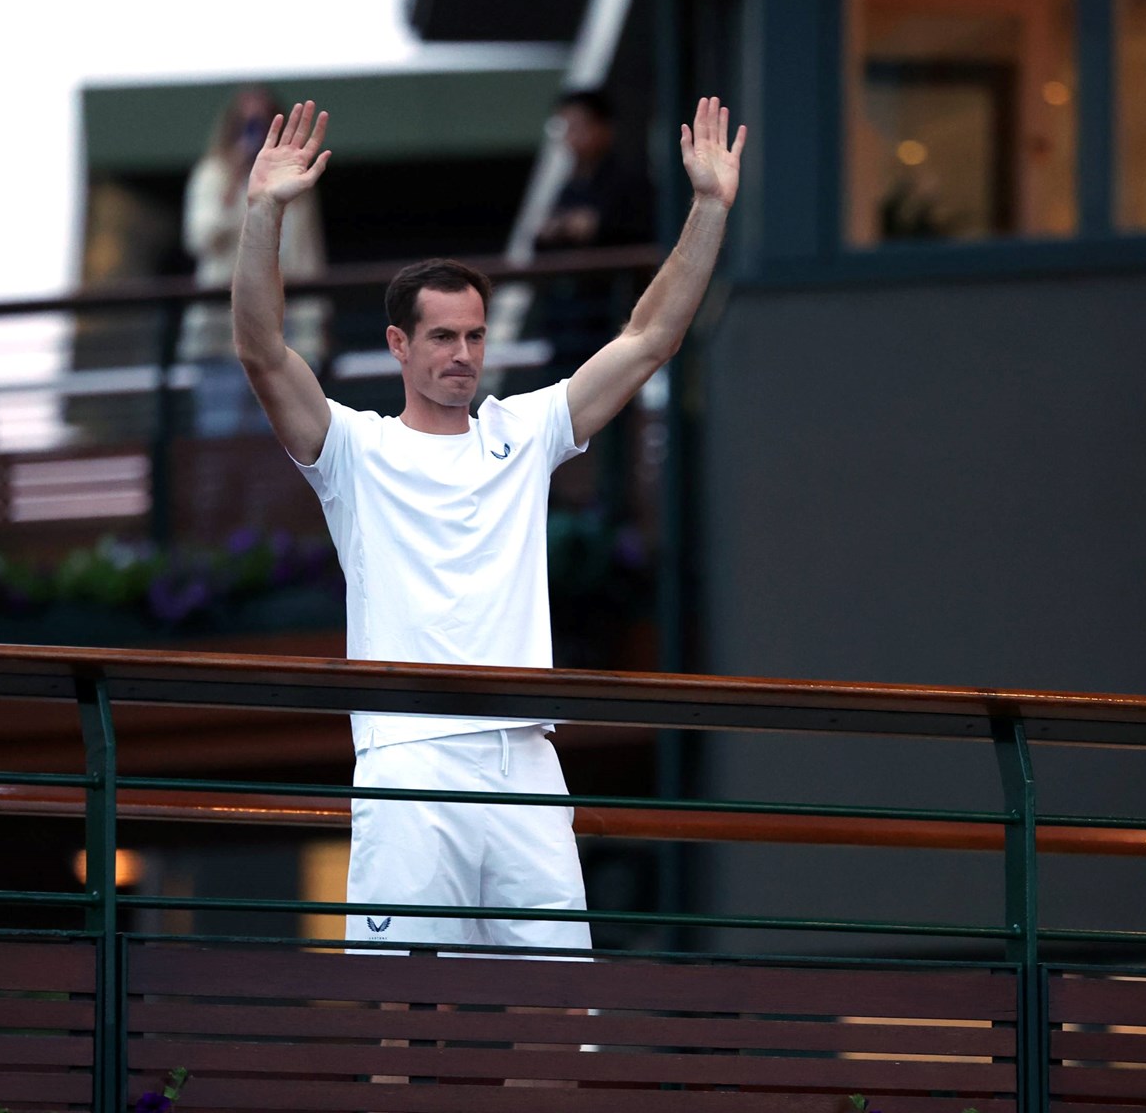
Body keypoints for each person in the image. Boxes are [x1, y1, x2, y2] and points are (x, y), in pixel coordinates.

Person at [232, 97, 745, 952]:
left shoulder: (523, 429)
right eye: (440, 337)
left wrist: (709, 208)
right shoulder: (354, 447)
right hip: (409, 758)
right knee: (399, 1014)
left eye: (473, 336)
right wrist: (263, 212)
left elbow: (650, 337)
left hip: (523, 756)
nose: (462, 354)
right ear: (398, 344)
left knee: (557, 1014)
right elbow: (260, 350)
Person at [184, 86, 328, 435]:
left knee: (282, 445)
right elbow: (199, 238)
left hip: (286, 330)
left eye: (262, 125)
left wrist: (316, 327)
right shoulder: (213, 174)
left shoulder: (293, 182)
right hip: (221, 330)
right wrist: (234, 182)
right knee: (220, 442)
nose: (253, 134)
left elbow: (307, 256)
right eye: (246, 125)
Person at [534, 90, 656, 368]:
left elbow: (642, 232)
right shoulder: (569, 186)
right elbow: (540, 243)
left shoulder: (628, 180)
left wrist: (596, 225)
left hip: (613, 312)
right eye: (564, 127)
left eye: (580, 126)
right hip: (569, 316)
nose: (572, 136)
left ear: (603, 128)